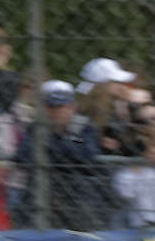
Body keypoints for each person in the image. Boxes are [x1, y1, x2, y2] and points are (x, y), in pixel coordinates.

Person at [18, 79, 105, 228]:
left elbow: (88, 156)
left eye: (61, 106)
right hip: (41, 195)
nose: (56, 111)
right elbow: (22, 156)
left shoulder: (83, 128)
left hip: (77, 198)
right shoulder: (35, 128)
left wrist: (50, 147)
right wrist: (66, 148)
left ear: (72, 106)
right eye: (51, 106)